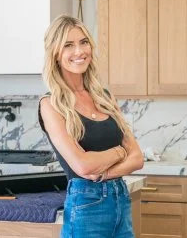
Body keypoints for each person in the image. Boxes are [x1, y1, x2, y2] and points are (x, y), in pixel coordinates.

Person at [38, 15, 144, 238]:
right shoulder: (51, 104)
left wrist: (102, 174)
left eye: (83, 42)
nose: (79, 51)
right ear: (56, 53)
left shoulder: (104, 97)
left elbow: (137, 159)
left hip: (120, 199)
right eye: (68, 45)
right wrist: (119, 152)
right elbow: (83, 166)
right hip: (86, 204)